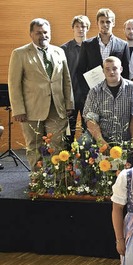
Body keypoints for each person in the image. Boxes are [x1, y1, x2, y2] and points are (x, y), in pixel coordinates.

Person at [8, 18, 73, 171]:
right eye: (38, 33)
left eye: (45, 32)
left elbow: (67, 80)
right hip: (31, 110)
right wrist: (18, 110)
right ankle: (37, 180)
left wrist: (69, 104)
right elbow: (14, 84)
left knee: (58, 144)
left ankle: (58, 181)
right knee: (34, 146)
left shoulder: (59, 52)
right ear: (31, 34)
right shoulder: (20, 54)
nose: (42, 36)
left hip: (57, 108)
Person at [76, 8, 130, 113]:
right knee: (92, 125)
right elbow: (80, 71)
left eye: (108, 21)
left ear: (113, 23)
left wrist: (121, 92)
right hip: (94, 93)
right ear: (97, 23)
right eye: (102, 22)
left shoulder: (123, 45)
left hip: (116, 93)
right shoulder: (87, 44)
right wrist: (87, 92)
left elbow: (126, 71)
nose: (105, 24)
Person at [83, 56, 133, 145]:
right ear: (103, 71)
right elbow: (91, 119)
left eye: (114, 68)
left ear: (121, 69)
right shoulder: (95, 92)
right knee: (81, 146)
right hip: (101, 139)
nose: (111, 72)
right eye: (107, 69)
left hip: (127, 140)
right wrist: (100, 141)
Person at [61, 15, 90, 142]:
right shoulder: (64, 49)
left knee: (87, 129)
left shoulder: (92, 47)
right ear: (72, 28)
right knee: (68, 131)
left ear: (87, 28)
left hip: (88, 95)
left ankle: (86, 159)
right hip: (70, 95)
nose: (80, 29)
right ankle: (66, 160)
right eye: (77, 26)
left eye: (83, 26)